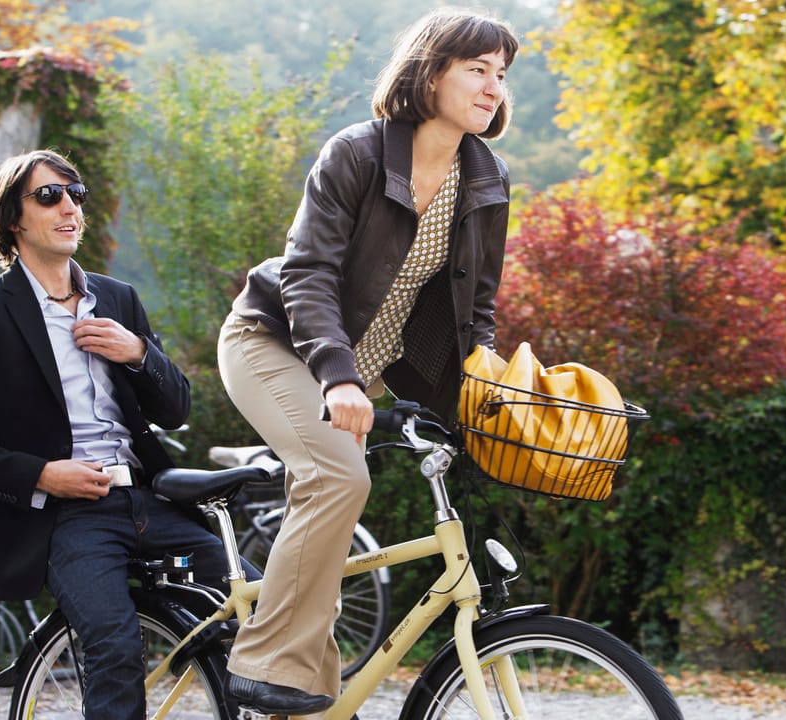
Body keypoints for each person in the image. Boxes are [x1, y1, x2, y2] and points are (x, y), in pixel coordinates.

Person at [217, 8, 519, 716]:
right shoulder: (357, 153)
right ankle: (263, 664)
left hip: (358, 374)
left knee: (332, 504)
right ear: (430, 73)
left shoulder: (486, 178)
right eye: (477, 69)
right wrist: (339, 376)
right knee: (339, 475)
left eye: (501, 75)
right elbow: (308, 274)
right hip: (274, 342)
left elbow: (476, 310)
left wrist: (487, 392)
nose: (493, 87)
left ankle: (304, 697)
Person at [0, 149, 252, 720]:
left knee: (269, 609)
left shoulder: (118, 298)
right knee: (115, 649)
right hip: (67, 515)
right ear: (12, 219)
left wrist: (139, 352)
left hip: (147, 500)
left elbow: (175, 409)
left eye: (76, 194)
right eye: (49, 196)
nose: (69, 207)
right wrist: (43, 475)